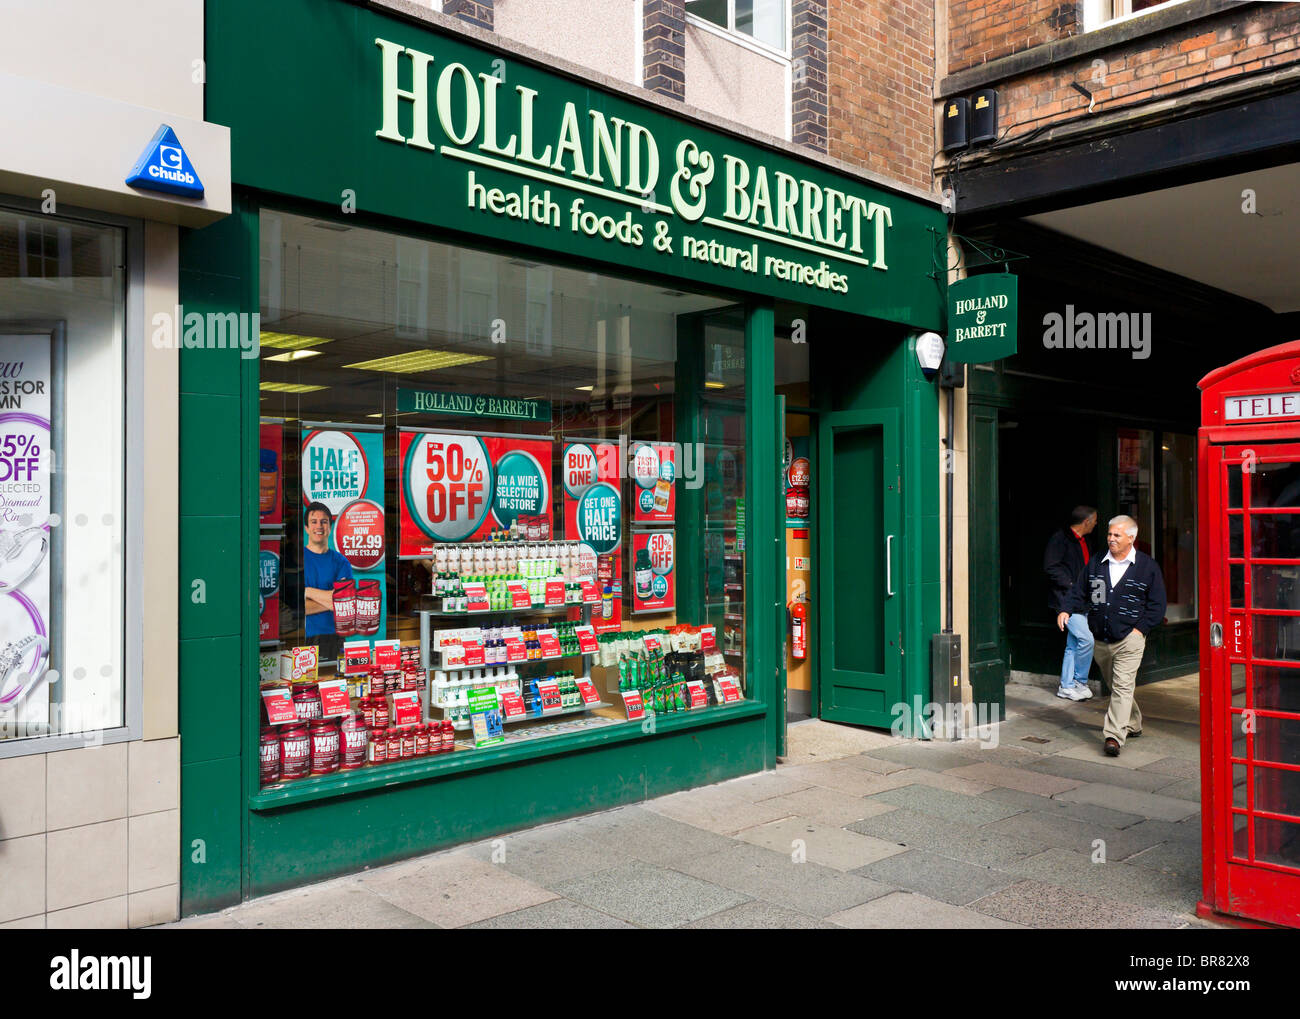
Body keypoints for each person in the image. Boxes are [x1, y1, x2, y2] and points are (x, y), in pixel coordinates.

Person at [1057, 514, 1166, 757]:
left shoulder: (1147, 567)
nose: (1111, 539)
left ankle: (1114, 736)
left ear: (1131, 538)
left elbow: (1157, 605)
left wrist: (1141, 629)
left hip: (1130, 638)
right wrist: (1066, 609)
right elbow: (1079, 591)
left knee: (1122, 687)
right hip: (1101, 638)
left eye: (1117, 535)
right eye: (1109, 534)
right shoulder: (1097, 563)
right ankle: (1134, 722)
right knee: (1119, 686)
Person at [1044, 505, 1098, 701]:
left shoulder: (1086, 541)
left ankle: (1066, 686)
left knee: (1073, 644)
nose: (1096, 524)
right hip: (1066, 599)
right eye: (1094, 520)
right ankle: (1078, 681)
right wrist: (1072, 584)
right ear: (1086, 522)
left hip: (1083, 599)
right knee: (1086, 640)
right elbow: (1051, 567)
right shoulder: (1060, 539)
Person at [302, 501, 353, 663]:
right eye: (314, 522)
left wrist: (307, 591)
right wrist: (332, 600)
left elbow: (344, 603)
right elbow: (296, 606)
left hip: (333, 637)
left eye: (324, 522)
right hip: (302, 637)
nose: (319, 526)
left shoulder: (341, 562)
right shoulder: (298, 559)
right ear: (306, 528)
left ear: (330, 527)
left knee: (333, 684)